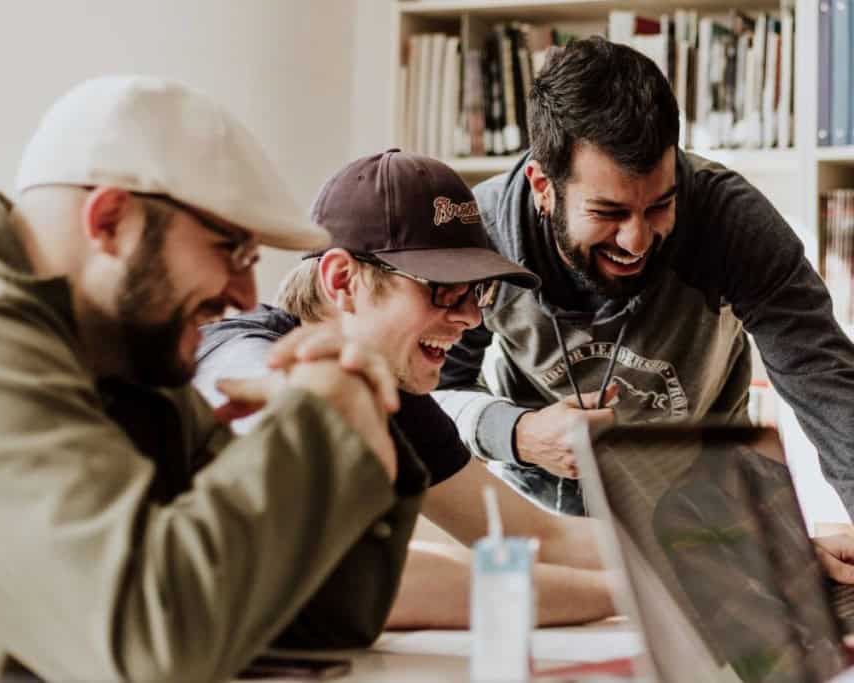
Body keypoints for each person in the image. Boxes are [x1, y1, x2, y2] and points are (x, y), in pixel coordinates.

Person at [0, 76, 427, 681]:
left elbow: (314, 617)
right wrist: (319, 420)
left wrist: (351, 410)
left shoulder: (118, 353)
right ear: (110, 219)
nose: (246, 294)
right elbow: (150, 646)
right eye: (232, 252)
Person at [195, 149, 618, 628]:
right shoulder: (239, 358)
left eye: (477, 292)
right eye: (444, 289)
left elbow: (534, 536)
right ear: (343, 281)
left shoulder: (390, 391)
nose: (472, 318)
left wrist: (690, 557)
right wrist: (628, 595)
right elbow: (355, 575)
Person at [436, 36, 854, 518]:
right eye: (607, 212)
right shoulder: (481, 237)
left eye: (659, 205)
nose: (636, 241)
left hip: (707, 506)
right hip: (540, 510)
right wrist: (516, 433)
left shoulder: (729, 220)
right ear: (542, 187)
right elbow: (433, 395)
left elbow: (825, 380)